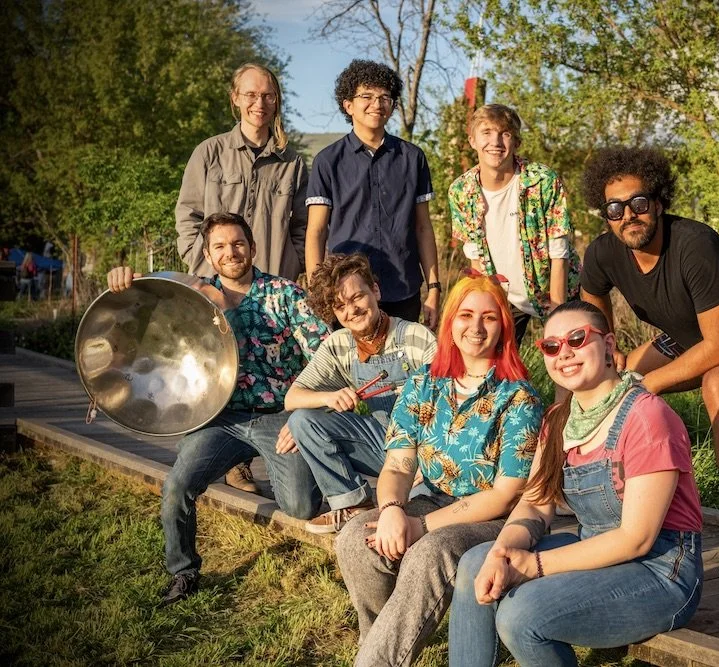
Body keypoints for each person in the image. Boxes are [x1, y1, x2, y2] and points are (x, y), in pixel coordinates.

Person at [448, 300, 703, 666]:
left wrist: (531, 565)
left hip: (661, 570)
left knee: (521, 616)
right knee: (477, 560)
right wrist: (503, 553)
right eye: (551, 346)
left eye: (577, 339)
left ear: (610, 345)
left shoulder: (647, 418)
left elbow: (637, 538)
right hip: (595, 548)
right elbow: (535, 503)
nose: (563, 353)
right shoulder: (558, 420)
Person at [107, 212, 329, 607]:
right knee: (177, 486)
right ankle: (183, 572)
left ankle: (314, 472)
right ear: (208, 255)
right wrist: (123, 279)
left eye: (238, 244)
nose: (231, 252)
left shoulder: (284, 294)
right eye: (221, 247)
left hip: (278, 415)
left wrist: (304, 418)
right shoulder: (193, 297)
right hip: (221, 418)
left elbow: (325, 357)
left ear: (253, 248)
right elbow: (146, 301)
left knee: (299, 505)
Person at [579, 147, 719, 587]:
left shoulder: (695, 245)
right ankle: (610, 520)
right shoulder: (604, 252)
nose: (629, 215)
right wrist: (610, 353)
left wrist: (643, 387)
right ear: (605, 215)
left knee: (716, 384)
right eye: (615, 208)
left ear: (659, 202)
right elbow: (592, 305)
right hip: (680, 339)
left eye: (639, 203)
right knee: (605, 386)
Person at [335, 273, 543, 667]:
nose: (476, 327)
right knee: (353, 538)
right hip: (428, 498)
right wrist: (395, 509)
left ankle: (376, 660)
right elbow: (398, 463)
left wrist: (420, 527)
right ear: (450, 321)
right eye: (466, 315)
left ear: (504, 326)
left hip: (496, 517)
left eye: (490, 317)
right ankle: (384, 639)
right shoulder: (423, 383)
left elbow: (504, 494)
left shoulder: (519, 397)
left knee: (430, 552)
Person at [176, 62, 309, 492]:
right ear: (235, 98)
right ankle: (224, 456)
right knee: (216, 368)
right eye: (250, 95)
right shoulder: (209, 153)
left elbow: (302, 226)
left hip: (271, 294)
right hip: (217, 290)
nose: (259, 103)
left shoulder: (293, 164)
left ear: (277, 101)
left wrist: (294, 276)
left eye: (268, 95)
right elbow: (188, 216)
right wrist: (203, 277)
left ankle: (266, 450)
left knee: (272, 374)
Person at [281, 253, 437, 533]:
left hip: (426, 451)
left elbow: (451, 404)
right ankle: (352, 504)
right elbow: (292, 398)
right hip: (381, 443)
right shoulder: (338, 344)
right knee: (302, 420)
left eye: (357, 298)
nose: (351, 310)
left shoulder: (415, 337)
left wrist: (426, 461)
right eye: (340, 306)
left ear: (375, 291)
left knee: (417, 504)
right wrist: (327, 398)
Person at [305, 59, 440, 328]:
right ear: (348, 105)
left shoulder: (413, 158)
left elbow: (423, 228)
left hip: (403, 288)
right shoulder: (327, 161)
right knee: (351, 368)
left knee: (403, 367)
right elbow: (316, 232)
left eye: (384, 97)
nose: (376, 103)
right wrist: (318, 293)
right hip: (346, 293)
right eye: (366, 96)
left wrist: (434, 289)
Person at [449, 104, 581, 345]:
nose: (495, 141)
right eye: (487, 132)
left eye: (505, 133)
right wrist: (483, 306)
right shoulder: (461, 191)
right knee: (496, 363)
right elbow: (475, 258)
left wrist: (558, 311)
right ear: (472, 140)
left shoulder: (542, 181)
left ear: (516, 142)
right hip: (503, 294)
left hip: (554, 287)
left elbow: (558, 250)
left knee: (570, 357)